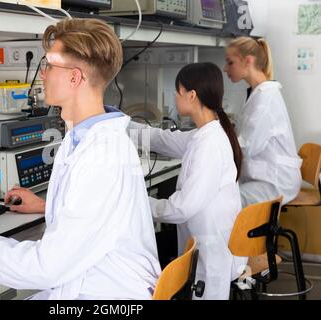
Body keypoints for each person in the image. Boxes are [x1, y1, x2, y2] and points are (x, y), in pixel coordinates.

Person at [0, 18, 161, 300]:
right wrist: (45, 204)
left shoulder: (102, 155)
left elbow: (47, 267)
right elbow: (90, 214)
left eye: (49, 65)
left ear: (75, 77)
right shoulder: (83, 135)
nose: (42, 74)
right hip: (93, 282)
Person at [129, 63, 247, 300]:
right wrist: (121, 124)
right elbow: (163, 139)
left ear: (192, 95)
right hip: (206, 244)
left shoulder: (210, 145)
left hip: (211, 254)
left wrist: (136, 200)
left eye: (177, 90)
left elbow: (180, 208)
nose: (174, 96)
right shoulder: (207, 133)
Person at [224, 37, 302, 207]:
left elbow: (246, 147)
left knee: (223, 200)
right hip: (268, 177)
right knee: (221, 194)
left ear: (248, 61)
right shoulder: (259, 93)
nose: (225, 68)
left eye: (230, 63)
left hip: (276, 182)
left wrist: (212, 145)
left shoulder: (265, 99)